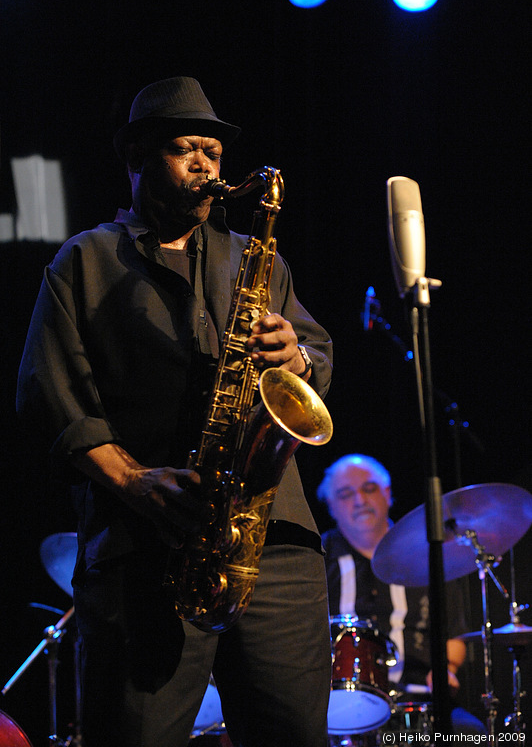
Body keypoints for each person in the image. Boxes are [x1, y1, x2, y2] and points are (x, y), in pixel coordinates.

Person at [17, 76, 333, 747]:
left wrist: (296, 357)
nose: (205, 166)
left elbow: (317, 355)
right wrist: (136, 482)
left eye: (213, 154)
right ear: (137, 157)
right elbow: (51, 398)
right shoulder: (85, 261)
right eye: (186, 149)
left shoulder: (256, 258)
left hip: (270, 545)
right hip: (143, 550)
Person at [317, 453, 487, 738]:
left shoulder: (426, 553)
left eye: (369, 488)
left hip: (419, 698)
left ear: (388, 493)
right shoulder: (317, 559)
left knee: (471, 734)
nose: (359, 500)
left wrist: (447, 669)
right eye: (346, 494)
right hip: (338, 701)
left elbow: (454, 634)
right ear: (331, 506)